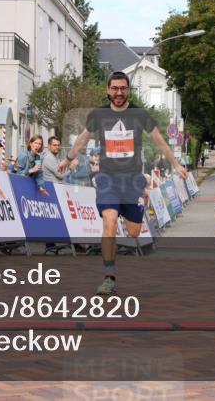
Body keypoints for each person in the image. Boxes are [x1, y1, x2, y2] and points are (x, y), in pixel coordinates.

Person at [58, 71, 187, 296]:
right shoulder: (99, 114)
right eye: (114, 88)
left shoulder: (139, 114)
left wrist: (176, 164)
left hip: (132, 180)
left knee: (134, 232)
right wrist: (68, 159)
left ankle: (136, 212)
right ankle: (109, 277)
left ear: (128, 90)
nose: (119, 92)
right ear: (108, 90)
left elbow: (159, 141)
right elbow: (83, 138)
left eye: (123, 88)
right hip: (107, 178)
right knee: (109, 222)